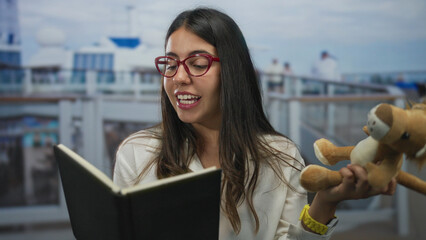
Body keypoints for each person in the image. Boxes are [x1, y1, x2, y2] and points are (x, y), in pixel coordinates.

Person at [113, 8, 395, 240]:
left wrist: (325, 203)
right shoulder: (137, 154)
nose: (179, 78)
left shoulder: (281, 157)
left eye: (198, 64)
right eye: (171, 64)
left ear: (233, 71)